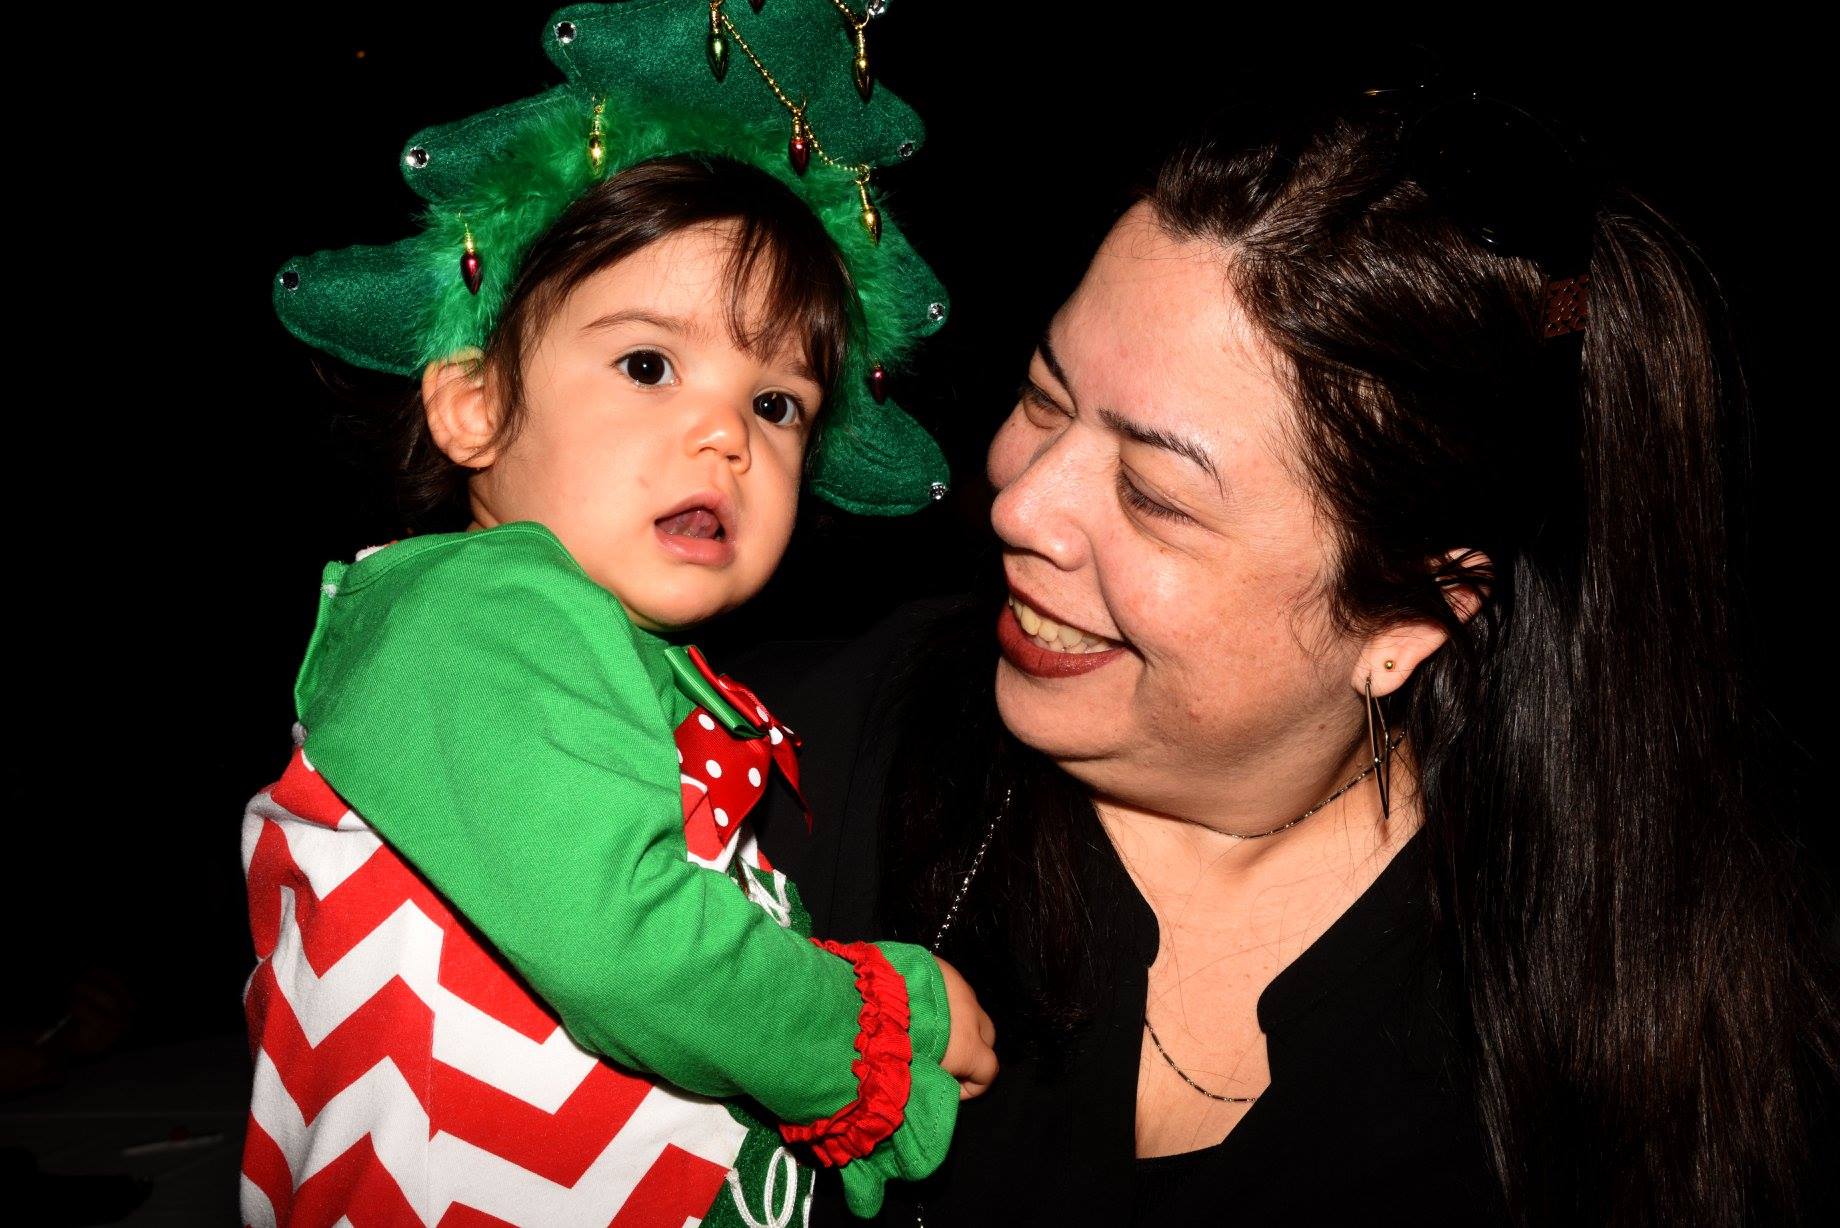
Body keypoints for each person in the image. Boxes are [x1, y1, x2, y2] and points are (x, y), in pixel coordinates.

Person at [745, 83, 1840, 1224]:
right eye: (1043, 395)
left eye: (1154, 494)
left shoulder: (1638, 1020)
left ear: (1411, 616)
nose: (1026, 502)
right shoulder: (776, 756)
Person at [239, 5, 995, 1226]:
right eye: (649, 365)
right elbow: (623, 943)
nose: (725, 436)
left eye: (778, 404)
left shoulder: (623, 661)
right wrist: (875, 1028)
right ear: (474, 407)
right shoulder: (470, 616)